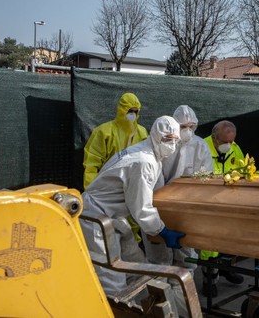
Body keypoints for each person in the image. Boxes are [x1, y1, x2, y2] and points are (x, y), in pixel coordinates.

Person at [80, 116, 188, 315]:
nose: (172, 145)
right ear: (156, 136)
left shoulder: (150, 154)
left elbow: (154, 192)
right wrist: (162, 231)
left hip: (114, 216)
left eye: (175, 140)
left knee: (137, 267)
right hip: (96, 218)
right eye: (167, 140)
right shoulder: (144, 161)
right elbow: (141, 207)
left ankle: (140, 310)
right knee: (112, 277)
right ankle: (113, 312)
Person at [143, 105, 213, 292]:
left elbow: (207, 177)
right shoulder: (163, 145)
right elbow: (153, 181)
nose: (187, 131)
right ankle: (161, 299)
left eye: (191, 126)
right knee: (159, 258)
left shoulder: (200, 146)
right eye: (183, 127)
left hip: (186, 209)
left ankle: (181, 297)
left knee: (186, 256)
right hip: (158, 206)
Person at [201, 120, 246, 296]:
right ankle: (209, 281)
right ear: (214, 137)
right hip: (208, 204)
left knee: (230, 239)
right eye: (225, 142)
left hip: (229, 203)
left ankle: (227, 267)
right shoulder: (202, 148)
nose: (229, 145)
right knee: (209, 245)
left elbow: (244, 170)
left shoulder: (235, 148)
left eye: (231, 141)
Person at [83, 92, 148, 190]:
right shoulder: (104, 132)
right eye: (130, 111)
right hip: (106, 185)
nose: (132, 114)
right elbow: (91, 164)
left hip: (132, 186)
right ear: (122, 109)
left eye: (135, 111)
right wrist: (92, 189)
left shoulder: (142, 132)